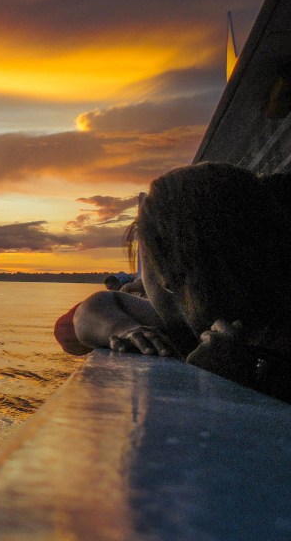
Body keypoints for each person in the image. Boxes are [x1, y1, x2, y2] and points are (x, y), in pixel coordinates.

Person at [62, 162, 291, 401]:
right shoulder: (191, 318)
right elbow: (93, 308)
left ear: (165, 275)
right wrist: (125, 329)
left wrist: (230, 385)